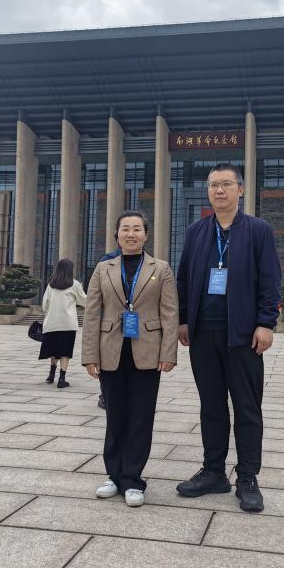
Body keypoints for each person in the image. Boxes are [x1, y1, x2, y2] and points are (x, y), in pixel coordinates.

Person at [176, 163, 281, 512]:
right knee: (211, 406)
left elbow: (270, 279)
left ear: (241, 189)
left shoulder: (258, 230)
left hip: (244, 335)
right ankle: (213, 471)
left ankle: (247, 477)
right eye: (213, 185)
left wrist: (266, 323)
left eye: (226, 184)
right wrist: (183, 319)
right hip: (204, 333)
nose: (219, 191)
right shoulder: (196, 232)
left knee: (247, 407)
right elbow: (183, 279)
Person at [82, 210, 178, 507]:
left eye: (137, 229)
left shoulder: (160, 268)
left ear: (146, 235)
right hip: (110, 351)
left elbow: (170, 313)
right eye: (125, 228)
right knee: (115, 416)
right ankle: (113, 475)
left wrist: (169, 352)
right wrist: (89, 355)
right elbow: (92, 313)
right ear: (117, 235)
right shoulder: (103, 268)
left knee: (141, 417)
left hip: (147, 352)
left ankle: (133, 479)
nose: (131, 234)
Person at [39, 258, 86, 389]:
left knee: (54, 350)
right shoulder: (75, 284)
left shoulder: (51, 284)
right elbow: (84, 301)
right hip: (68, 324)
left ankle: (51, 375)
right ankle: (62, 378)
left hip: (51, 323)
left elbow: (44, 305)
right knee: (65, 351)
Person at [95, 234, 122, 409]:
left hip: (128, 322)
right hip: (111, 321)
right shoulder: (106, 262)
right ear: (118, 239)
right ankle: (106, 395)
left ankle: (107, 395)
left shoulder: (150, 263)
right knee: (108, 362)